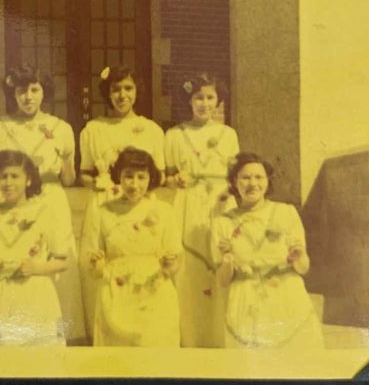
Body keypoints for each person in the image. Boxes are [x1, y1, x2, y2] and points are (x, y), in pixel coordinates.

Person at [0, 64, 85, 343]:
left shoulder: (61, 128)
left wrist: (65, 160)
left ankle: (54, 331)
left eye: (34, 90)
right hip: (13, 201)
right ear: (12, 93)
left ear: (44, 92)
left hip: (51, 198)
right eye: (21, 90)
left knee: (53, 258)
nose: (27, 97)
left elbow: (69, 179)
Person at [211, 152, 323, 350]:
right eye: (245, 177)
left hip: (285, 297)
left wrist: (299, 256)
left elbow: (303, 268)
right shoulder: (223, 223)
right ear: (234, 182)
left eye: (258, 177)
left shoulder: (285, 212)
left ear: (267, 181)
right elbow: (222, 280)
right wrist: (228, 263)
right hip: (245, 302)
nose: (252, 183)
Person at [165, 73, 239, 347]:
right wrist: (176, 180)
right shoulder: (174, 135)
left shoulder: (228, 134)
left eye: (210, 98)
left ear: (218, 101)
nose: (204, 103)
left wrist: (229, 196)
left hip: (219, 202)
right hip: (188, 203)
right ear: (189, 101)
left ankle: (219, 336)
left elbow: (235, 175)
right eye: (198, 98)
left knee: (219, 260)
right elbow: (167, 176)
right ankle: (192, 336)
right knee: (191, 269)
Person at [80, 147, 181, 347]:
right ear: (119, 176)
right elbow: (91, 264)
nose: (134, 184)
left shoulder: (164, 211)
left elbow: (175, 257)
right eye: (128, 176)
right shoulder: (102, 212)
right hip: (117, 293)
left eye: (141, 177)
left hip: (154, 291)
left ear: (150, 178)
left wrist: (170, 265)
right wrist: (97, 265)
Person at [0, 150, 69, 346]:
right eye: (3, 176)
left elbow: (62, 261)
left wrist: (36, 268)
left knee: (34, 361)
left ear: (28, 180)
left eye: (15, 176)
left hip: (33, 293)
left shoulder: (44, 213)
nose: (8, 182)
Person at [79, 66, 165, 201]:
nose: (122, 95)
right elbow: (85, 174)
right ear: (108, 93)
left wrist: (138, 190)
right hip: (105, 201)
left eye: (128, 88)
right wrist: (98, 184)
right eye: (116, 89)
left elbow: (160, 174)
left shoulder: (152, 130)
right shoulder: (93, 129)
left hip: (140, 203)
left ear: (137, 91)